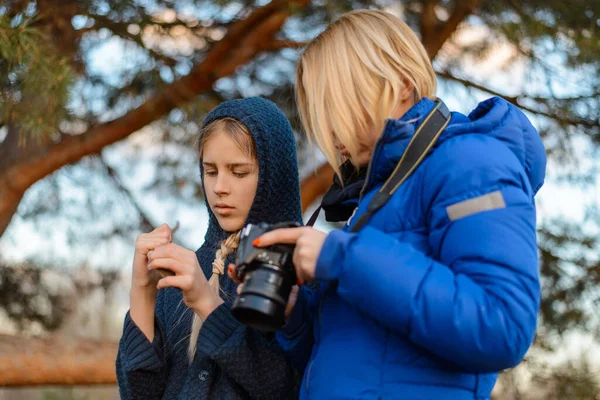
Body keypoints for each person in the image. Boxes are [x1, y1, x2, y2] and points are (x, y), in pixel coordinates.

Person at [248, 9, 546, 400]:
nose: (331, 129)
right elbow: (359, 362)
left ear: (402, 84)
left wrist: (342, 258)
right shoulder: (382, 195)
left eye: (338, 103)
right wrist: (292, 314)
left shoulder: (471, 163)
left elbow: (501, 328)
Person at [115, 97, 303, 399]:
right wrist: (143, 292)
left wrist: (207, 304)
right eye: (211, 171)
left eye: (239, 172)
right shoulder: (182, 274)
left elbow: (287, 387)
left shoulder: (304, 269)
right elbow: (139, 394)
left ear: (274, 177)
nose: (219, 188)